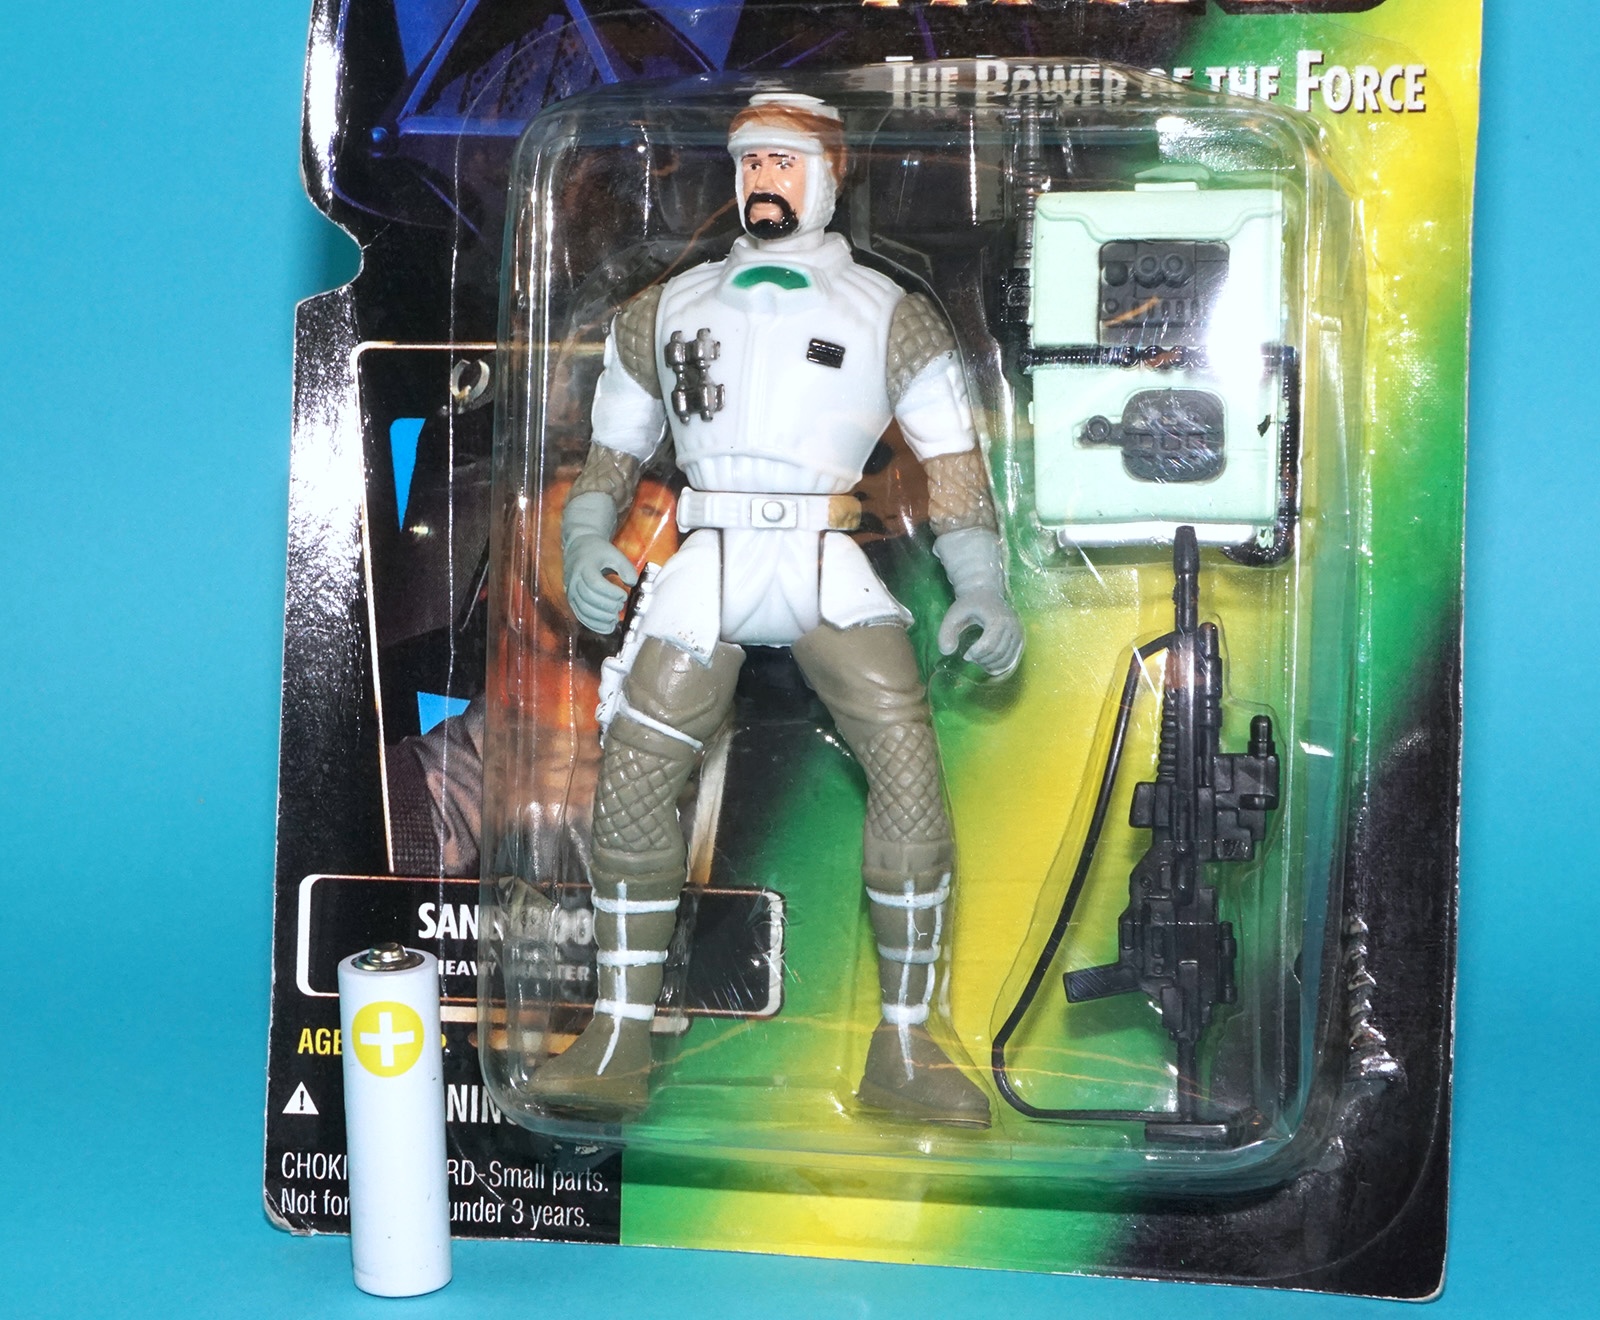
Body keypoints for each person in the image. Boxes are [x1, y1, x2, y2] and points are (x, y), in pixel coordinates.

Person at [536, 92, 1022, 1126]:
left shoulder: (890, 312)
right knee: (634, 780)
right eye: (752, 161)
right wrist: (584, 539)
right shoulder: (666, 308)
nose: (764, 178)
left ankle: (906, 1043)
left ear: (831, 177)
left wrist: (980, 582)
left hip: (822, 553)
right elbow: (611, 454)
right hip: (708, 556)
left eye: (785, 162)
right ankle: (616, 1035)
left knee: (907, 771)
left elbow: (952, 465)